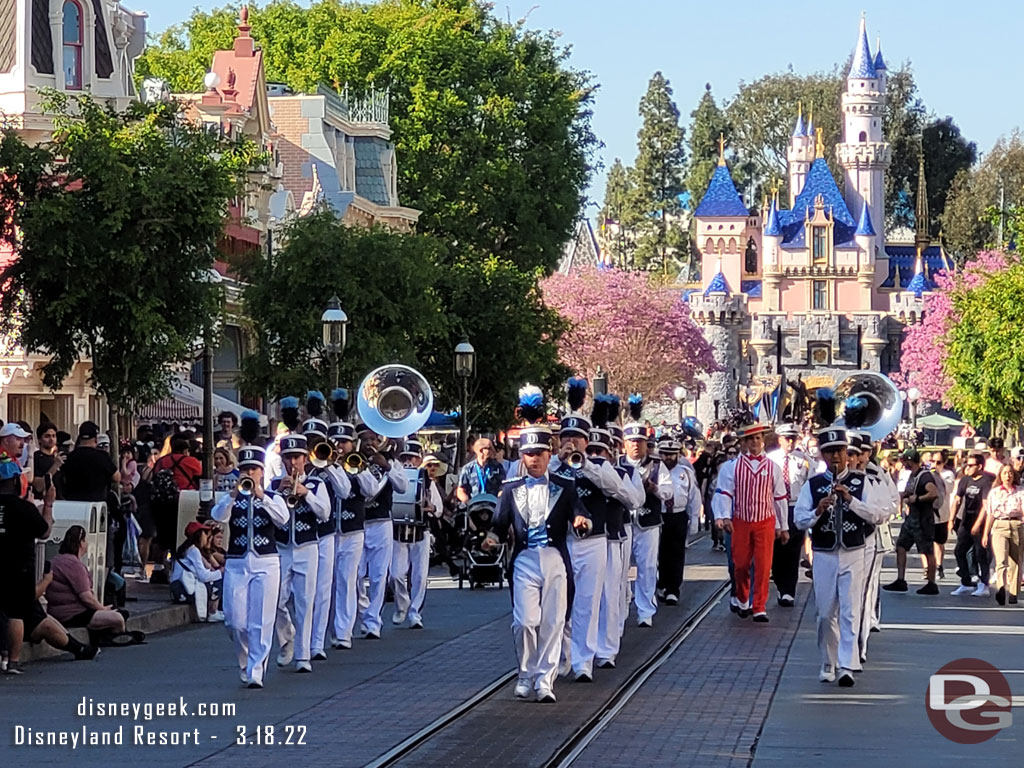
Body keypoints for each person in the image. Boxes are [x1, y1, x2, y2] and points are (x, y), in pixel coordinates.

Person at [482, 424, 589, 703]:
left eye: (540, 454)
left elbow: (580, 513)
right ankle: (525, 673)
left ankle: (545, 680)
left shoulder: (564, 486)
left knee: (553, 622)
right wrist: (491, 538)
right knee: (525, 622)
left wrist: (581, 521)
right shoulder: (511, 488)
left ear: (549, 454)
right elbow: (498, 524)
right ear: (522, 457)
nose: (535, 460)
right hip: (524, 558)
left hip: (554, 557)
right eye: (529, 454)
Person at [551, 388, 640, 682]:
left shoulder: (600, 466)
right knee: (559, 603)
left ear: (587, 442)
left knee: (588, 601)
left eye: (576, 438)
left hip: (594, 541)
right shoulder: (552, 466)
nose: (570, 442)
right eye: (566, 437)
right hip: (560, 541)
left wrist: (586, 465)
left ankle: (583, 661)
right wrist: (558, 462)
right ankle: (561, 655)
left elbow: (623, 495)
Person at [794, 425, 889, 687]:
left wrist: (851, 501)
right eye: (829, 452)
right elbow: (799, 520)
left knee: (850, 609)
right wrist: (818, 510)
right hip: (824, 553)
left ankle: (848, 664)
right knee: (825, 612)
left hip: (854, 551)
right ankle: (828, 660)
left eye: (840, 451)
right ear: (822, 456)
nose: (835, 457)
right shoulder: (813, 485)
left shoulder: (862, 483)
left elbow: (880, 514)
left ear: (848, 453)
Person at [210, 445, 289, 689]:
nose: (249, 474)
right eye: (245, 469)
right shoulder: (232, 498)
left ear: (261, 472)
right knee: (234, 621)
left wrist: (261, 495)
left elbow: (283, 519)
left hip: (267, 561)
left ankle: (257, 669)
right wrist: (234, 495)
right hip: (236, 562)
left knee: (262, 620)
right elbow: (218, 515)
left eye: (254, 469)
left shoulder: (273, 497)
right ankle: (245, 662)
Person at [714, 423, 788, 622]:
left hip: (765, 520)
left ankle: (759, 606)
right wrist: (724, 516)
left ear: (763, 440)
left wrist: (783, 526)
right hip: (741, 520)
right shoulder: (732, 467)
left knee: (764, 566)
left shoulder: (773, 467)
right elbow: (725, 493)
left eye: (758, 438)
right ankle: (742, 597)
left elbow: (779, 497)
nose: (755, 442)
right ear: (744, 443)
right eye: (750, 439)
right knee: (740, 564)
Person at [271, 434, 330, 673]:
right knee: (276, 600)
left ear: (305, 459)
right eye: (288, 458)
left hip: (308, 548)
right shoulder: (274, 485)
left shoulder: (317, 484)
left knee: (306, 602)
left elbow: (325, 513)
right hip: (282, 548)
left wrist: (305, 493)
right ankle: (287, 638)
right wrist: (277, 495)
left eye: (297, 457)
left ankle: (303, 655)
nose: (293, 463)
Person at [618, 394, 673, 628]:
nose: (636, 446)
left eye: (640, 442)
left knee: (648, 566)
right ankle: (621, 607)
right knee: (620, 569)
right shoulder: (617, 465)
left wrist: (655, 489)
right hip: (622, 523)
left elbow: (670, 492)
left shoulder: (657, 464)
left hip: (648, 522)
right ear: (625, 444)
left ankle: (645, 610)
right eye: (632, 442)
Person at [328, 405, 378, 651]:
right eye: (335, 441)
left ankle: (343, 632)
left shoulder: (358, 464)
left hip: (353, 531)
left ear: (352, 444)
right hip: (327, 533)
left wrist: (357, 469)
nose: (339, 446)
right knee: (328, 584)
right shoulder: (323, 464)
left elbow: (371, 490)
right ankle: (328, 631)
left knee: (347, 581)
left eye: (344, 442)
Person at [356, 424, 409, 640]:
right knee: (356, 576)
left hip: (381, 522)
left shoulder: (391, 461)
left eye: (373, 439)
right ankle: (362, 613)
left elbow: (403, 486)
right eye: (365, 440)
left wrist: (386, 466)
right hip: (358, 525)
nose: (369, 444)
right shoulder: (354, 462)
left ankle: (373, 621)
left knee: (379, 575)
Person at [46, 524, 135, 638]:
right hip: (73, 614)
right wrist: (103, 609)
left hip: (59, 611)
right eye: (85, 540)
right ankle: (113, 637)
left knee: (118, 614)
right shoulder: (74, 565)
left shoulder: (57, 560)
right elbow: (86, 597)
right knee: (119, 618)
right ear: (81, 543)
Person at [391, 442, 442, 630]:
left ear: (419, 460)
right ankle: (402, 605)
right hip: (398, 531)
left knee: (420, 576)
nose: (408, 462)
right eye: (404, 458)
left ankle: (415, 613)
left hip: (421, 531)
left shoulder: (426, 480)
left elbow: (439, 509)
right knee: (395, 574)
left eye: (411, 458)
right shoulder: (394, 478)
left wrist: (431, 507)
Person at [883, 449, 940, 595]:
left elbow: (933, 492)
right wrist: (902, 495)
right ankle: (901, 580)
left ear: (910, 460)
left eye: (905, 461)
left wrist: (918, 499)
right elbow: (910, 491)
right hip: (912, 518)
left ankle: (931, 583)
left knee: (927, 550)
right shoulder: (913, 476)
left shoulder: (924, 475)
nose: (903, 463)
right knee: (901, 546)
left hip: (923, 519)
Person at [767, 424, 812, 607]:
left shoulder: (803, 460)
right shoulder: (770, 459)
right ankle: (779, 582)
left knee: (793, 549)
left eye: (794, 438)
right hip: (776, 506)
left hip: (795, 506)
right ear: (780, 440)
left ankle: (788, 590)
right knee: (777, 548)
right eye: (787, 438)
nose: (791, 442)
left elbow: (810, 483)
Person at [657, 437, 702, 606]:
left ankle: (673, 588)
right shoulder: (655, 471)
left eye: (672, 454)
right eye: (665, 454)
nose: (668, 458)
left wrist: (695, 518)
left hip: (678, 515)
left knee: (676, 553)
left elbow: (693, 496)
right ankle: (661, 583)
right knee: (660, 552)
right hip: (659, 515)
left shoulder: (686, 472)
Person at [950, 453, 992, 597]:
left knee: (981, 554)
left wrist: (978, 524)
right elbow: (957, 500)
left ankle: (984, 584)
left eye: (971, 465)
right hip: (965, 520)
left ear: (979, 466)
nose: (967, 467)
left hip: (981, 521)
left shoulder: (987, 481)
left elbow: (986, 506)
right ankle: (966, 582)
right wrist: (951, 520)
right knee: (959, 551)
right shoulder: (965, 480)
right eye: (966, 464)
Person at [982, 464, 1023, 606]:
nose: (1008, 476)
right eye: (1005, 473)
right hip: (1000, 525)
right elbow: (990, 513)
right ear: (1000, 475)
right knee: (1001, 561)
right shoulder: (994, 492)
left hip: (1017, 525)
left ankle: (1013, 592)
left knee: (1016, 561)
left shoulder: (1020, 491)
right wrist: (986, 533)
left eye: (1010, 473)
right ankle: (1001, 588)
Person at [170, 521, 224, 622]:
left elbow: (207, 568)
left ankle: (213, 610)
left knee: (216, 576)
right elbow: (203, 575)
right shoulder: (193, 551)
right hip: (183, 590)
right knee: (217, 579)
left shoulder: (188, 549)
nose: (207, 536)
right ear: (199, 535)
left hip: (178, 588)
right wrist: (219, 572)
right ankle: (212, 611)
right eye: (205, 533)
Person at [456, 437, 506, 502]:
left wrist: (498, 499)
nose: (493, 451)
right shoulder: (467, 468)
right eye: (489, 448)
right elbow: (460, 490)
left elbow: (503, 486)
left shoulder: (498, 467)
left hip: (492, 504)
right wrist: (469, 502)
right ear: (481, 451)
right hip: (474, 505)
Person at [31, 422, 63, 500]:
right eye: (47, 436)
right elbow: (38, 486)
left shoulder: (56, 457)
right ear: (39, 439)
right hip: (43, 501)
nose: (51, 439)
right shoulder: (36, 457)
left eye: (53, 436)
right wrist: (55, 466)